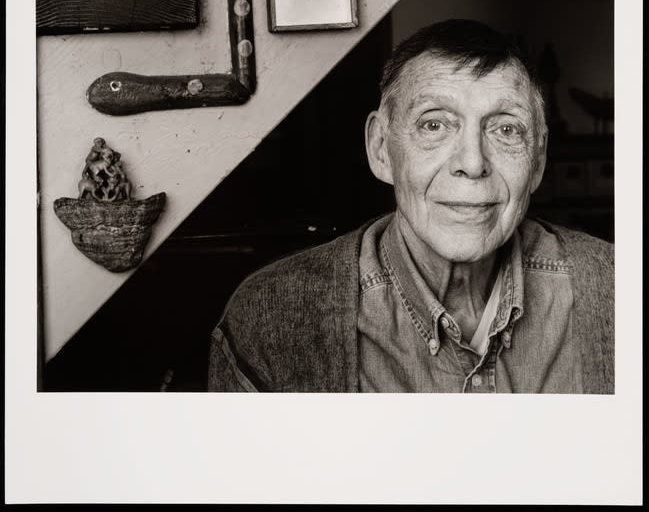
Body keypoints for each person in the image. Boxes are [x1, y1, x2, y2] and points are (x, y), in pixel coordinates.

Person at [208, 19, 614, 393]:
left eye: (506, 129)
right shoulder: (272, 319)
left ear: (538, 160)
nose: (473, 163)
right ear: (381, 149)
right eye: (434, 124)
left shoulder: (620, 292)